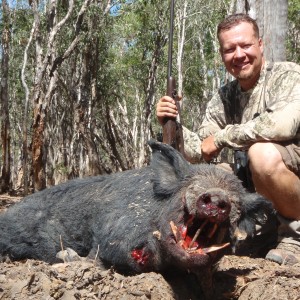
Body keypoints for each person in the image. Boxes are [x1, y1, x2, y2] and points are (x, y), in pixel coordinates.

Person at [156, 13, 300, 265]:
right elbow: (201, 149)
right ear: (222, 55)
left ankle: (295, 236)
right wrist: (172, 123)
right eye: (230, 49)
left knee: (262, 155)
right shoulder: (224, 97)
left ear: (260, 45)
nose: (239, 55)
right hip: (264, 194)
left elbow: (282, 126)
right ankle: (258, 234)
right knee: (214, 175)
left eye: (245, 45)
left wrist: (223, 136)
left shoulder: (289, 76)